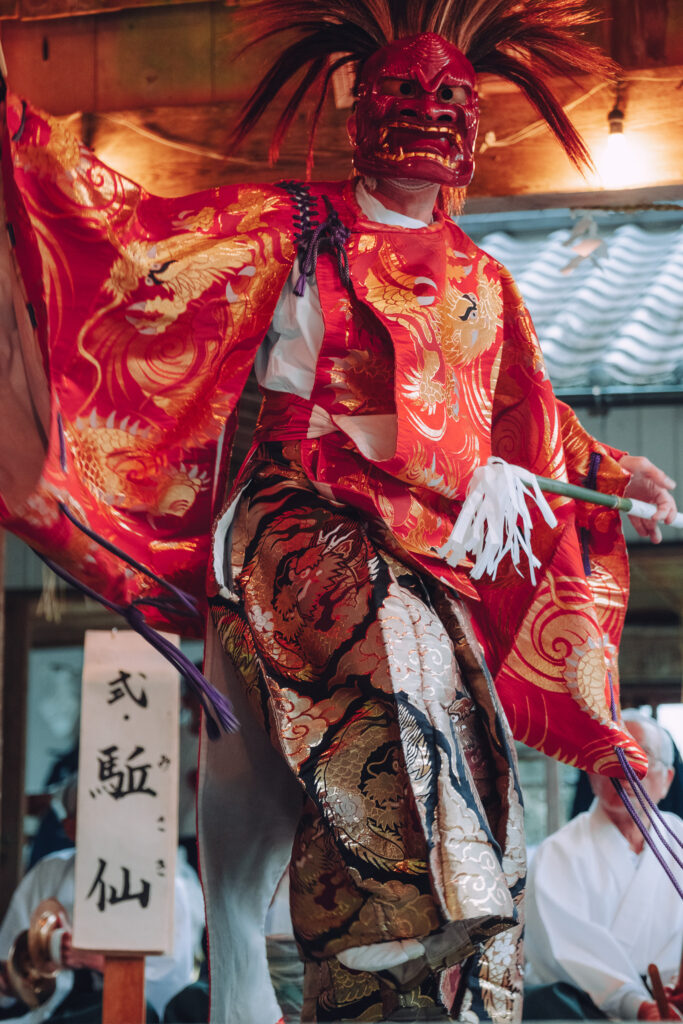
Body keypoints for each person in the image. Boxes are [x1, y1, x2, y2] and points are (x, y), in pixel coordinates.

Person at [0, 1, 679, 1020]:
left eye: (450, 98)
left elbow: (529, 426)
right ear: (360, 113)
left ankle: (448, 967)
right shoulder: (292, 226)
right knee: (388, 670)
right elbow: (138, 252)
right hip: (301, 511)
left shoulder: (487, 282)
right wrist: (22, 145)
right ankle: (385, 946)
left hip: (428, 548)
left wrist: (614, 473)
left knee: (472, 735)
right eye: (403, 93)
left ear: (474, 131)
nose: (428, 115)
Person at [0, 779, 205, 1024]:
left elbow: (173, 981)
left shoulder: (167, 880)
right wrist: (16, 979)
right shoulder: (49, 872)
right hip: (53, 1008)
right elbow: (11, 957)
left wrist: (99, 961)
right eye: (93, 819)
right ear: (70, 828)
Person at [524, 710, 683, 1022]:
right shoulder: (558, 852)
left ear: (667, 779)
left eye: (640, 756)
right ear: (591, 772)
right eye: (610, 757)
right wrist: (638, 1005)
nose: (622, 770)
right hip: (582, 1011)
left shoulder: (678, 840)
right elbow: (567, 949)